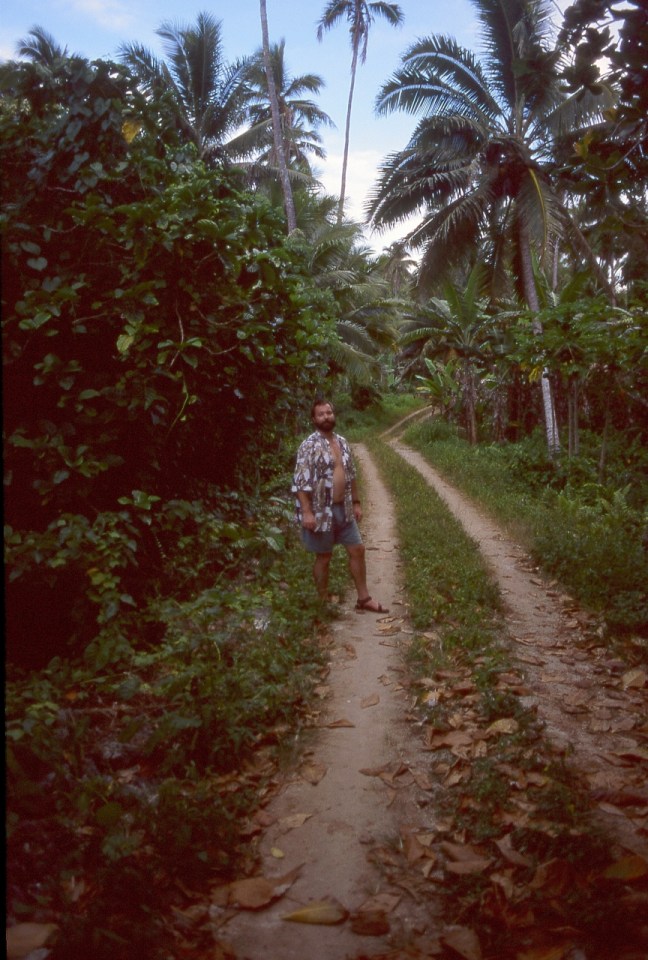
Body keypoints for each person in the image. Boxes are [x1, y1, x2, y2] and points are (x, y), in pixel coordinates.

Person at [292, 398, 389, 613]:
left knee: (358, 549)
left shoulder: (343, 442)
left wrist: (356, 502)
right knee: (324, 556)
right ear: (314, 419)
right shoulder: (308, 445)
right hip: (320, 511)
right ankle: (322, 601)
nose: (326, 416)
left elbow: (350, 475)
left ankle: (364, 598)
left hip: (343, 509)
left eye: (329, 412)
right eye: (321, 414)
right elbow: (300, 481)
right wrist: (307, 512)